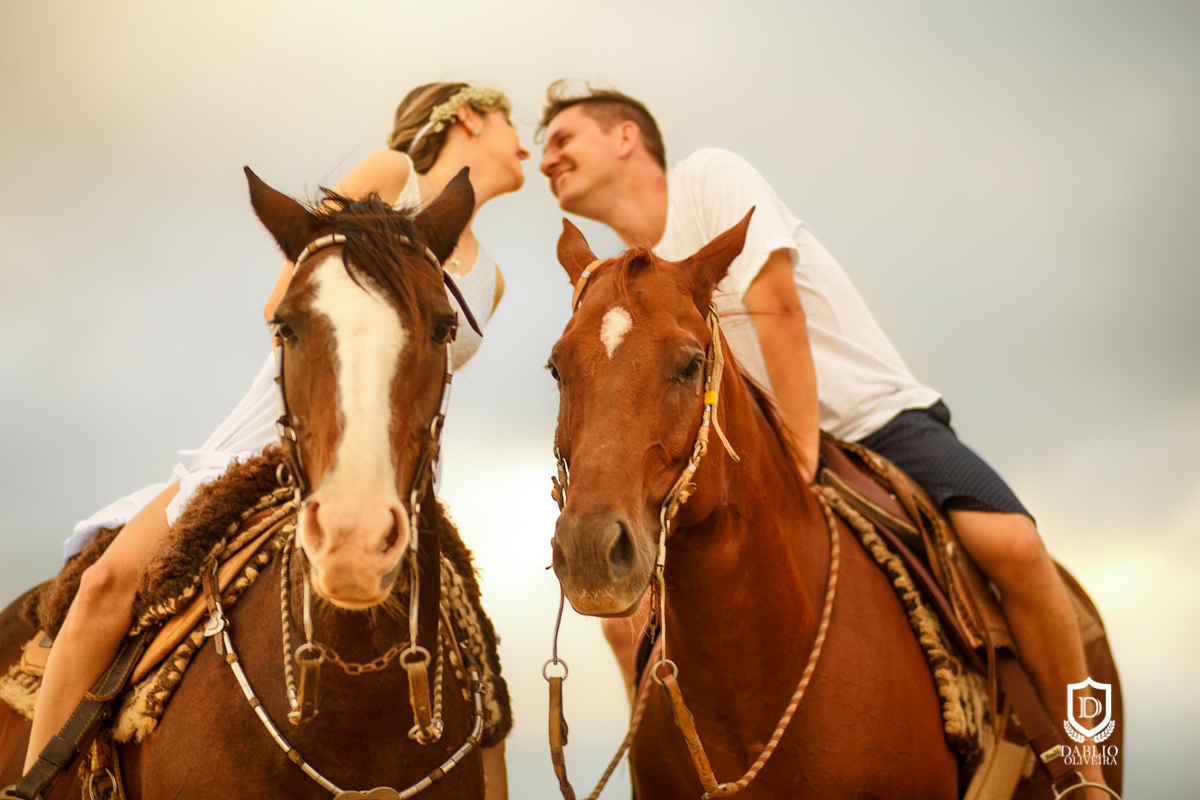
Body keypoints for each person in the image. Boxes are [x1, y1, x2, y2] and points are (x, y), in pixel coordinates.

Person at [537, 81, 1110, 796]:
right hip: (755, 454)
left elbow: (777, 307)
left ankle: (1090, 769)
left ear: (625, 136)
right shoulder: (630, 275)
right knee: (630, 621)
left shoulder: (709, 179)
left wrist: (803, 450)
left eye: (562, 139)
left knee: (1014, 547)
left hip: (869, 419)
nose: (546, 159)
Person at [29, 81, 527, 799]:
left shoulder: (496, 279)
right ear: (471, 116)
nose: (528, 142)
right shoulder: (394, 175)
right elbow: (282, 302)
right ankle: (39, 786)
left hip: (398, 470)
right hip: (290, 427)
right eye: (515, 122)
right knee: (107, 584)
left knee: (479, 664)